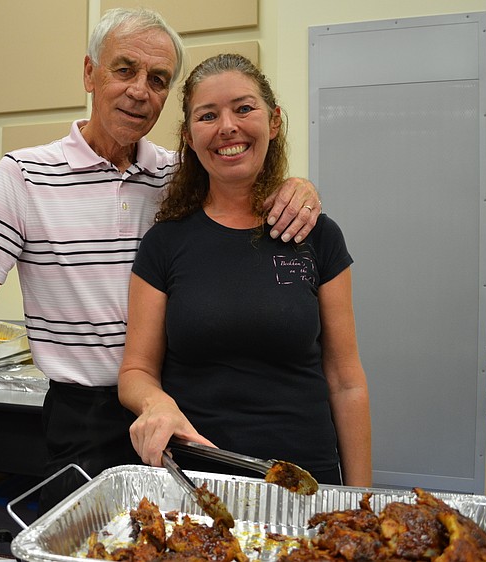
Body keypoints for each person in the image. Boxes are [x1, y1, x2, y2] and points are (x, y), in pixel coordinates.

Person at [0, 9, 322, 539]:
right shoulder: (23, 176)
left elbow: (246, 178)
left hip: (172, 411)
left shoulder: (178, 174)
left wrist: (299, 187)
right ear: (89, 74)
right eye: (124, 70)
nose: (139, 91)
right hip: (79, 418)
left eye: (157, 80)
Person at [117, 53, 371, 487]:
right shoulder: (165, 242)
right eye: (208, 115)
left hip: (303, 482)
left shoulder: (317, 234)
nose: (227, 127)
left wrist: (360, 500)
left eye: (244, 108)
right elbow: (135, 372)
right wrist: (154, 402)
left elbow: (347, 382)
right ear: (189, 137)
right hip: (194, 483)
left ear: (273, 122)